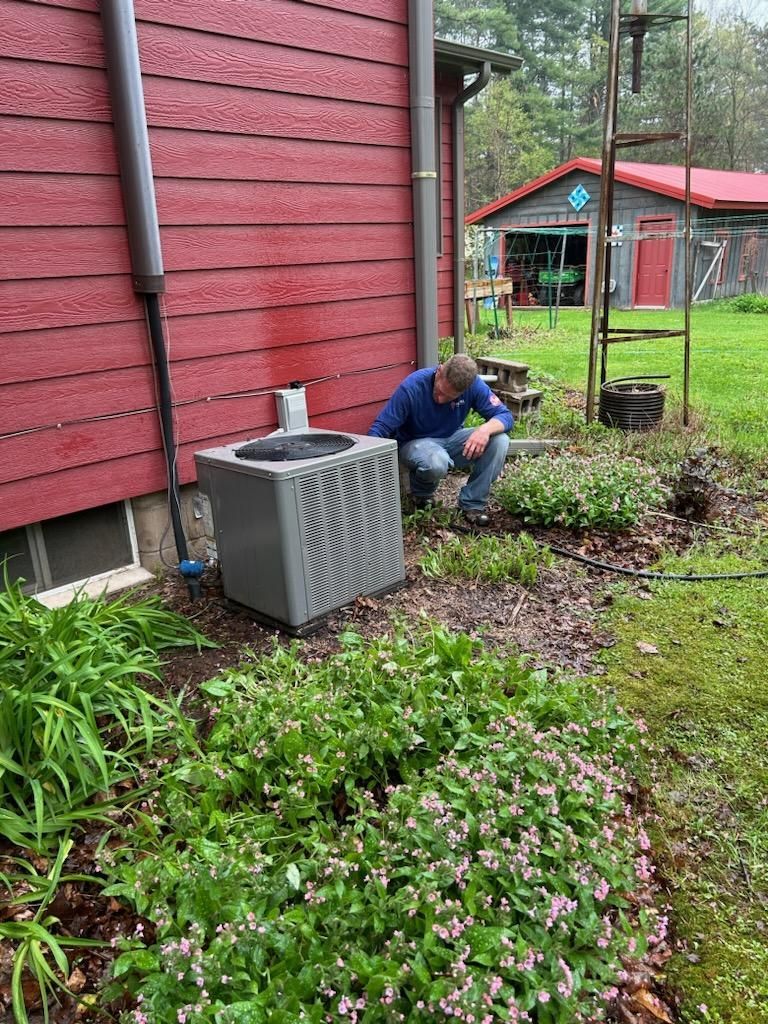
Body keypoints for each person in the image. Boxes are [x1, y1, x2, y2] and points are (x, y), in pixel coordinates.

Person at [368, 354, 513, 526]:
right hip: (414, 444)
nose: (440, 399)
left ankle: (472, 504)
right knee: (437, 461)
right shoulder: (412, 386)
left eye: (449, 397)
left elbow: (505, 416)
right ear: (439, 371)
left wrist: (484, 430)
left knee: (499, 440)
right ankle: (421, 496)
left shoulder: (473, 385)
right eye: (439, 391)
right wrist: (365, 465)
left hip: (451, 439)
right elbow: (381, 427)